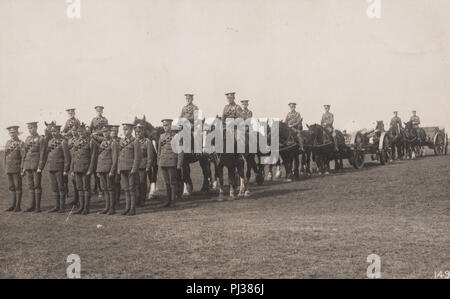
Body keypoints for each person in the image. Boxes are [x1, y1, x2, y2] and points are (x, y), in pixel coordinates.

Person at [71, 124, 97, 215]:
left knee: (86, 188)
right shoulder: (76, 142)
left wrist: (90, 169)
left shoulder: (91, 142)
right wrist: (72, 169)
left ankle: (86, 208)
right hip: (77, 168)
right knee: (79, 187)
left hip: (86, 168)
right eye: (79, 132)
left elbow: (93, 157)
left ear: (85, 132)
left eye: (82, 132)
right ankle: (81, 207)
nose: (80, 133)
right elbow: (73, 157)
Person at [93, 125, 119, 215]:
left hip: (109, 169)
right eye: (103, 132)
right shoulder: (103, 142)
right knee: (104, 189)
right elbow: (99, 157)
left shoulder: (113, 143)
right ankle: (106, 207)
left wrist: (112, 170)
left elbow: (115, 158)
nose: (105, 133)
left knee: (110, 188)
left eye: (107, 132)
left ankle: (112, 208)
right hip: (101, 169)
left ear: (110, 132)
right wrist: (97, 170)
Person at [158, 119, 183, 207]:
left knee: (173, 182)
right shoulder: (161, 136)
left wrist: (179, 164)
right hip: (163, 162)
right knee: (166, 182)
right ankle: (167, 200)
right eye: (164, 126)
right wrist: (159, 161)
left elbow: (180, 151)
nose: (165, 127)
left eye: (167, 125)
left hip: (172, 162)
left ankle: (173, 201)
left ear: (171, 126)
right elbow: (159, 150)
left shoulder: (176, 136)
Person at [21, 122, 46, 212]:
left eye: (32, 128)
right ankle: (31, 205)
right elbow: (25, 153)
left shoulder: (41, 139)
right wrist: (23, 167)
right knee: (30, 186)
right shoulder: (27, 139)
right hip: (28, 165)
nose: (30, 130)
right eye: (29, 128)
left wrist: (40, 166)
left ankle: (37, 207)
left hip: (36, 166)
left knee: (37, 185)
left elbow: (43, 154)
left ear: (36, 128)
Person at [45, 125, 70, 213]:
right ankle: (56, 206)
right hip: (51, 167)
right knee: (54, 187)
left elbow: (67, 157)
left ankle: (62, 207)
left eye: (55, 131)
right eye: (52, 132)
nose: (53, 133)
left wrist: (66, 170)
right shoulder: (50, 141)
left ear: (59, 131)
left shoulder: (63, 142)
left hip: (60, 167)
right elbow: (48, 153)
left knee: (61, 187)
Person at [117, 123, 141, 216]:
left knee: (132, 189)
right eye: (124, 129)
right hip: (123, 168)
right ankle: (127, 208)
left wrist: (134, 169)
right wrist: (119, 168)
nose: (125, 131)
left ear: (131, 130)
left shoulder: (135, 141)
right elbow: (119, 156)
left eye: (127, 129)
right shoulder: (122, 141)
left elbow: (137, 157)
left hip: (131, 169)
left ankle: (132, 209)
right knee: (126, 189)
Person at [134, 123, 156, 206]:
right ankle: (137, 199)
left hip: (143, 165)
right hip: (135, 166)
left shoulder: (147, 141)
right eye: (136, 132)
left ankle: (142, 200)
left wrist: (148, 166)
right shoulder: (134, 141)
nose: (138, 133)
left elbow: (150, 156)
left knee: (142, 183)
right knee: (136, 183)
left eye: (139, 132)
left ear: (143, 132)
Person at [4, 126, 24, 212]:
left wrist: (22, 168)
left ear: (17, 133)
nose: (12, 134)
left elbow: (23, 157)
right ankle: (13, 204)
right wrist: (5, 167)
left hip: (17, 168)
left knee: (17, 186)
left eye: (14, 132)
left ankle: (18, 206)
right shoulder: (8, 142)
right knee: (11, 187)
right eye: (11, 133)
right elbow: (5, 156)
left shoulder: (20, 143)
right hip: (9, 168)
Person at [110, 125, 122, 205]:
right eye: (112, 131)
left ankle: (117, 199)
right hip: (109, 164)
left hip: (118, 164)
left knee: (117, 182)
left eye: (115, 131)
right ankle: (112, 200)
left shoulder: (120, 141)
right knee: (110, 183)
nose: (113, 133)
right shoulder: (108, 141)